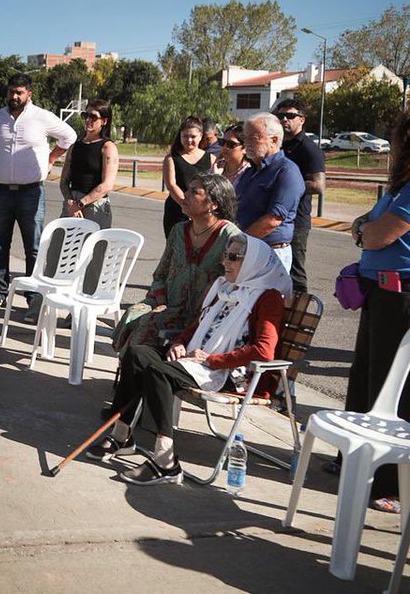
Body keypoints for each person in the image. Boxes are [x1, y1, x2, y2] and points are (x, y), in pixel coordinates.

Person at [88, 234, 290, 485]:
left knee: (159, 372)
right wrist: (179, 343)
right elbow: (198, 325)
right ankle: (122, 436)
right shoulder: (225, 289)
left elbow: (264, 351)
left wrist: (212, 360)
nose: (225, 262)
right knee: (137, 354)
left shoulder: (268, 297)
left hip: (232, 373)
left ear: (252, 263)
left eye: (234, 257)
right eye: (225, 256)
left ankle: (165, 462)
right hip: (198, 359)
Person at [342, 109, 410, 514]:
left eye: (397, 137)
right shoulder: (399, 187)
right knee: (364, 378)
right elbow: (363, 224)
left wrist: (365, 232)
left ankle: (389, 483)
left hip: (400, 300)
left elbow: (377, 234)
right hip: (378, 294)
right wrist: (364, 230)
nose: (391, 145)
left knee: (392, 390)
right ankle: (354, 459)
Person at [0, 73, 77, 310]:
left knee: (33, 246)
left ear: (29, 94)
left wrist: (50, 158)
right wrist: (0, 154)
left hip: (31, 193)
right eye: (11, 91)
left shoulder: (41, 117)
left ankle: (34, 296)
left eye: (19, 92)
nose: (14, 96)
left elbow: (69, 136)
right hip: (0, 191)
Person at [112, 174, 242, 351]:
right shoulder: (179, 230)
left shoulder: (230, 236)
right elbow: (161, 273)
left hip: (204, 314)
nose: (185, 194)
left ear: (214, 204)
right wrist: (161, 302)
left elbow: (233, 284)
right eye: (187, 190)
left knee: (148, 323)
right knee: (132, 314)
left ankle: (141, 365)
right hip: (168, 304)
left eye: (194, 192)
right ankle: (133, 365)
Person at [235, 112, 305, 273]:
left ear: (274, 140)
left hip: (269, 252)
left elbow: (273, 220)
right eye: (245, 138)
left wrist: (238, 241)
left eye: (253, 138)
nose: (246, 144)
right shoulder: (250, 171)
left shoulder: (286, 172)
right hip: (246, 248)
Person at [273, 98, 326, 293]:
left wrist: (286, 187)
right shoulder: (277, 144)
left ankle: (298, 310)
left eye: (290, 116)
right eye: (281, 115)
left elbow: (318, 185)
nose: (284, 119)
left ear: (302, 120)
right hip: (275, 216)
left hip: (297, 220)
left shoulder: (308, 148)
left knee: (295, 272)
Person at [58, 99, 118, 229]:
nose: (88, 120)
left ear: (104, 121)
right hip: (71, 205)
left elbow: (107, 185)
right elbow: (63, 181)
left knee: (93, 243)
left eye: (93, 117)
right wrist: (70, 202)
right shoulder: (74, 147)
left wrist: (81, 203)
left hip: (95, 206)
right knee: (59, 241)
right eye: (86, 115)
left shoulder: (108, 147)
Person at [162, 116, 212, 238]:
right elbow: (171, 185)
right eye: (185, 136)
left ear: (201, 136)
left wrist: (200, 211)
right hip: (177, 212)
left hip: (203, 214)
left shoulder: (211, 159)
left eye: (193, 136)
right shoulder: (171, 158)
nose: (189, 140)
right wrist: (187, 206)